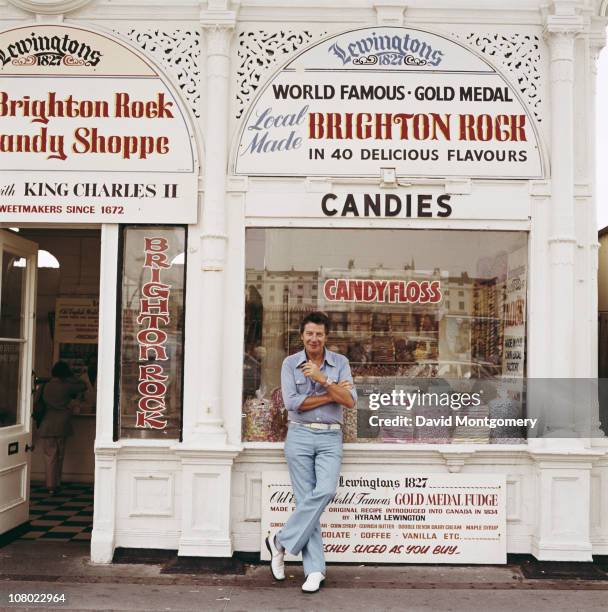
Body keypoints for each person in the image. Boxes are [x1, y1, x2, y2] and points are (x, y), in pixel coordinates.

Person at [265, 311, 357, 593]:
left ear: (325, 336)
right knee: (308, 502)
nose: (314, 339)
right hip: (300, 435)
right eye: (309, 334)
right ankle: (315, 570)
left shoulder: (340, 363)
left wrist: (322, 379)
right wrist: (332, 393)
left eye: (319, 334)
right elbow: (292, 403)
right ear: (302, 336)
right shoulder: (290, 363)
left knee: (325, 491)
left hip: (330, 438)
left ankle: (280, 541)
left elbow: (350, 401)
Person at [38, 361, 86, 494]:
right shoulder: (67, 386)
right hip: (63, 423)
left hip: (47, 423)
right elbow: (83, 386)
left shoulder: (45, 386)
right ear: (66, 373)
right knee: (59, 455)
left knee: (50, 455)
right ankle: (56, 482)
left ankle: (50, 485)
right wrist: (73, 377)